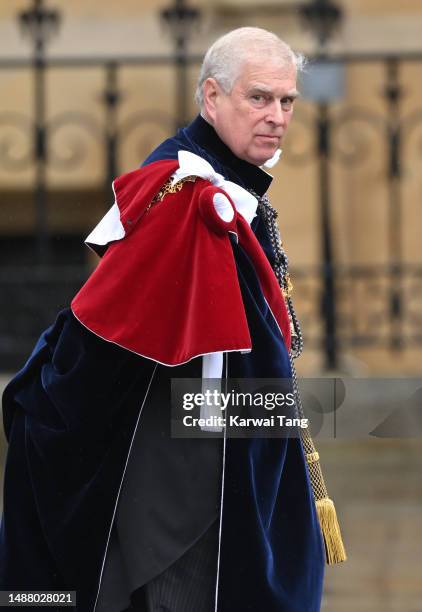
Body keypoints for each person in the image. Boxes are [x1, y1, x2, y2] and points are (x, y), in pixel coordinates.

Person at [0, 27, 345, 612]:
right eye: (258, 98)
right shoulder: (190, 194)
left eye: (287, 101)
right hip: (182, 487)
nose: (278, 116)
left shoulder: (226, 183)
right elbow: (127, 350)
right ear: (211, 98)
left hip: (220, 451)